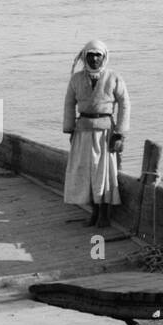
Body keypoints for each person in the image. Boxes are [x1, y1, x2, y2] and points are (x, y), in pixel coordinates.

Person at [62, 39, 130, 228]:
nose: (94, 59)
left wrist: (120, 133)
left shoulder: (113, 77)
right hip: (82, 131)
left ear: (104, 57)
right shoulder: (76, 79)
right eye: (90, 55)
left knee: (105, 174)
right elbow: (69, 104)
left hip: (105, 133)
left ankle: (105, 216)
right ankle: (94, 212)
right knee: (86, 173)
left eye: (97, 55)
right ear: (84, 56)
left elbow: (125, 104)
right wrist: (70, 129)